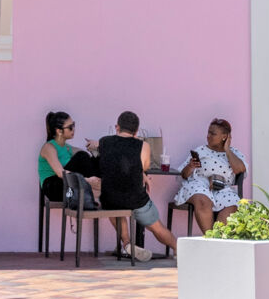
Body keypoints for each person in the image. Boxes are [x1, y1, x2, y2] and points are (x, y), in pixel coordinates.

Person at [96, 110, 179, 262]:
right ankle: (178, 249)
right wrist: (143, 175)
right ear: (136, 131)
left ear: (117, 127)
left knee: (116, 208)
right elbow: (144, 166)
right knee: (157, 227)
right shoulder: (143, 145)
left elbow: (112, 162)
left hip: (109, 198)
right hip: (135, 199)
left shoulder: (104, 142)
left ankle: (127, 243)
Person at [177, 119, 247, 231]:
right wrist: (190, 166)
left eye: (213, 134)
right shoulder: (200, 150)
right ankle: (209, 238)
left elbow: (240, 169)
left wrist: (227, 150)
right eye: (208, 132)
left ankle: (215, 241)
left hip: (222, 189)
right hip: (199, 185)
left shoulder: (234, 153)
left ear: (224, 136)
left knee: (232, 205)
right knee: (202, 199)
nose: (208, 136)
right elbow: (184, 175)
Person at [39, 111, 102, 205]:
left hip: (66, 186)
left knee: (93, 157)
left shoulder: (68, 148)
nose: (73, 129)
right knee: (81, 156)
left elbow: (88, 162)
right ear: (59, 131)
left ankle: (102, 185)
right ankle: (101, 187)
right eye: (70, 127)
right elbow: (61, 173)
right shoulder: (49, 147)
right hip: (53, 188)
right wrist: (87, 180)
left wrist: (94, 150)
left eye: (74, 125)